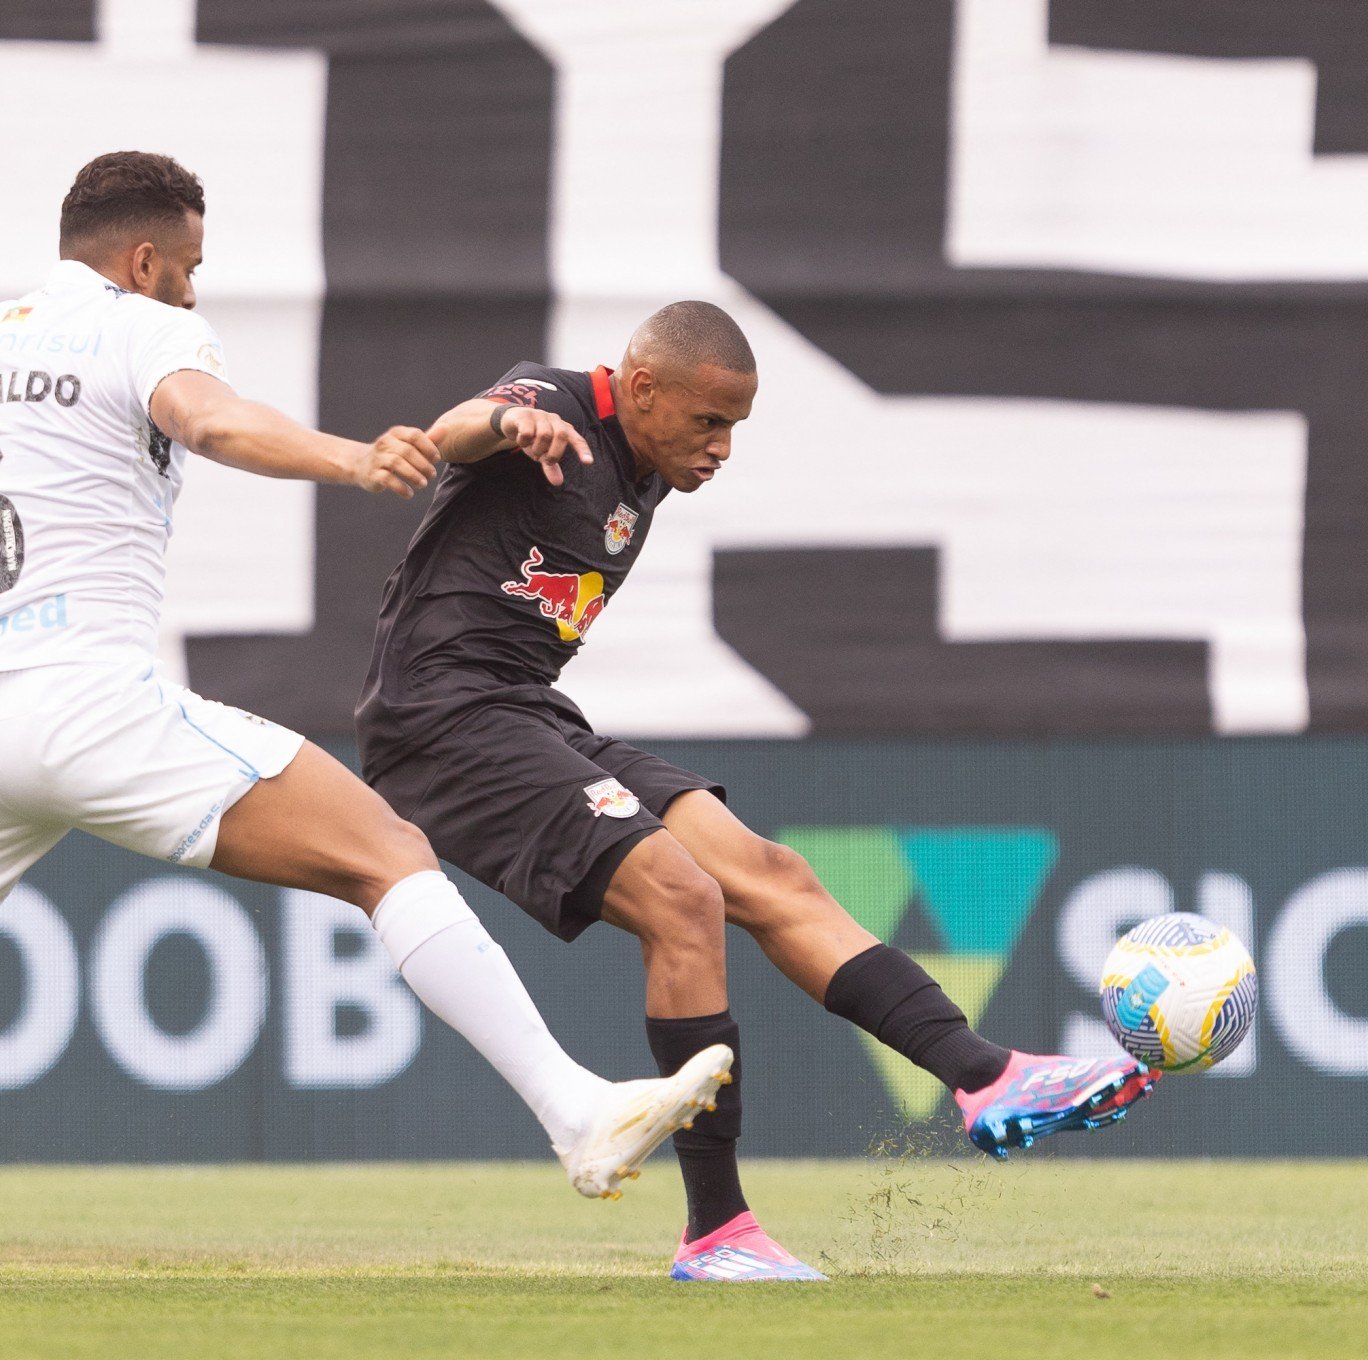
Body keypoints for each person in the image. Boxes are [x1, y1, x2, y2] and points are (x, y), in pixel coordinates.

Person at [0, 154, 728, 1290]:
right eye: (190, 267)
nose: (194, 292)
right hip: (82, 699)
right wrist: (353, 457)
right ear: (144, 260)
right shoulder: (142, 328)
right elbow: (214, 421)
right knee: (388, 852)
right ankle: (573, 1111)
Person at [356, 301, 1157, 1283]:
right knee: (685, 896)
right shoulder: (556, 401)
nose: (724, 447)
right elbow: (450, 434)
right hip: (443, 721)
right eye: (709, 420)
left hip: (528, 712)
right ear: (641, 388)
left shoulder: (643, 474)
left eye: (736, 425)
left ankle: (988, 1077)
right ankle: (717, 1232)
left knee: (766, 872)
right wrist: (503, 424)